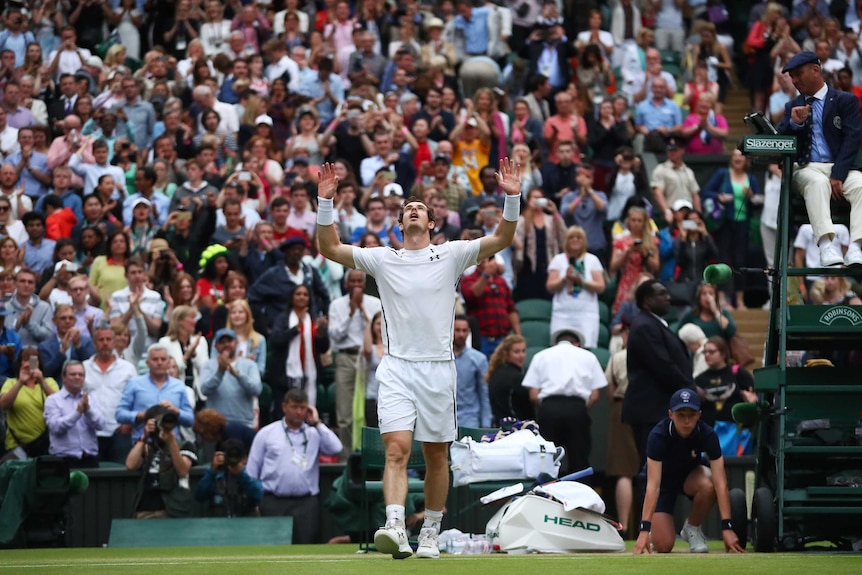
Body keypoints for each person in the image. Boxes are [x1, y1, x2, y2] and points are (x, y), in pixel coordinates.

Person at [316, 158, 521, 559]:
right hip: (395, 367)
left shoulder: (453, 254)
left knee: (435, 455)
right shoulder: (382, 258)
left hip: (439, 369)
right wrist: (326, 204)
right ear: (399, 224)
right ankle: (394, 524)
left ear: (430, 224)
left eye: (420, 209)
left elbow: (502, 239)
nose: (413, 210)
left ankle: (430, 529)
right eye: (407, 208)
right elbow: (329, 247)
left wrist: (511, 196)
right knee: (396, 449)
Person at [632, 388, 745, 554]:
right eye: (680, 415)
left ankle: (692, 527)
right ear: (670, 414)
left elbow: (721, 482)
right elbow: (653, 486)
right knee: (663, 546)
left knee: (709, 481)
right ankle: (655, 531)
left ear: (699, 415)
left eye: (691, 415)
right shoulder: (657, 436)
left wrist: (727, 527)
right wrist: (643, 531)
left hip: (690, 478)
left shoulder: (708, 435)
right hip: (662, 484)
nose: (686, 421)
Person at [778, 50, 862, 267]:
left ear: (816, 69)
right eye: (792, 76)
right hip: (806, 169)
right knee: (816, 183)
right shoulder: (792, 106)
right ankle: (826, 244)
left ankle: (855, 247)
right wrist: (795, 124)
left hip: (840, 167)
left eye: (799, 74)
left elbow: (853, 139)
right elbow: (781, 144)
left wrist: (838, 174)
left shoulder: (846, 101)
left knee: (861, 184)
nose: (795, 80)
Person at [246, 388, 342, 543]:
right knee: (272, 548)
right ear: (284, 407)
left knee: (306, 547)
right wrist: (255, 503)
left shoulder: (314, 433)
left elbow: (336, 448)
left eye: (302, 408)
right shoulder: (267, 433)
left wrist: (317, 422)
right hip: (273, 501)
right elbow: (252, 471)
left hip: (305, 504)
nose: (298, 412)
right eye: (294, 407)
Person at [624, 279, 694, 464]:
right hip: (650, 410)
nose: (668, 297)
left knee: (665, 468)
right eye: (662, 294)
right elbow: (662, 365)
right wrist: (689, 388)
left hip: (657, 409)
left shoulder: (655, 323)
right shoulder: (645, 325)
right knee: (653, 468)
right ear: (647, 300)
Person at [522, 327, 607, 478]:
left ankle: (545, 496)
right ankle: (581, 499)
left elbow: (534, 395)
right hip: (577, 409)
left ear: (555, 343)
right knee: (580, 459)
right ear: (577, 343)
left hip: (549, 409)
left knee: (546, 460)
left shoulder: (541, 356)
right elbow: (595, 395)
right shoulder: (588, 357)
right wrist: (580, 409)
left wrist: (548, 408)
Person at [328, 269, 382, 453]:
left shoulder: (375, 303)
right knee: (345, 413)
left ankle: (370, 454)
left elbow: (379, 329)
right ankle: (347, 458)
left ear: (365, 284)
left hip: (372, 359)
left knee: (369, 409)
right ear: (346, 284)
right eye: (353, 281)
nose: (357, 285)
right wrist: (351, 312)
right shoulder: (336, 305)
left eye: (360, 281)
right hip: (346, 357)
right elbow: (334, 336)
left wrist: (363, 310)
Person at [125, 404, 198, 519]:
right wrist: (144, 437)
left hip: (173, 509)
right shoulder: (145, 445)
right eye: (157, 422)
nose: (161, 425)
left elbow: (183, 471)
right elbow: (130, 465)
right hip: (145, 508)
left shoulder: (185, 445)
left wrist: (171, 441)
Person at [115, 344, 196, 443]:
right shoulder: (134, 384)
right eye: (155, 359)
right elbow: (119, 414)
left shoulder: (179, 386)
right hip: (142, 442)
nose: (159, 363)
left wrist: (176, 411)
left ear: (168, 362)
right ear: (147, 363)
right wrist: (141, 415)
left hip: (171, 443)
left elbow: (190, 420)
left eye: (163, 359)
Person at [84, 323, 138, 463]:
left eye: (108, 339)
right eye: (101, 340)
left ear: (114, 342)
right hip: (90, 433)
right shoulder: (83, 368)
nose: (105, 343)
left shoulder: (128, 369)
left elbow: (137, 398)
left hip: (120, 431)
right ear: (95, 343)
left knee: (120, 475)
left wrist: (129, 424)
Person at [604, 322, 640, 536]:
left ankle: (625, 526)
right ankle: (650, 525)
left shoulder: (618, 357)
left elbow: (610, 392)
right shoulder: (652, 355)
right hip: (650, 409)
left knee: (623, 470)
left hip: (622, 407)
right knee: (651, 469)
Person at [546, 226, 605, 348]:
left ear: (584, 241)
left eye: (579, 237)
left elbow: (600, 286)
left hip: (586, 313)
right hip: (562, 314)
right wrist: (564, 279)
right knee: (560, 348)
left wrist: (582, 281)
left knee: (586, 347)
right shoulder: (558, 260)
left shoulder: (592, 260)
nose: (575, 240)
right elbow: (550, 286)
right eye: (571, 237)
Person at [43, 360, 105, 468]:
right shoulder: (53, 400)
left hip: (89, 458)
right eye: (73, 374)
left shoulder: (90, 399)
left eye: (81, 374)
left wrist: (88, 410)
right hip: (63, 460)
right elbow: (55, 427)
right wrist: (77, 413)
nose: (77, 377)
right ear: (63, 377)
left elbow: (101, 425)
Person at [0, 348, 58, 460]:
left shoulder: (49, 382)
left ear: (39, 363)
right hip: (17, 446)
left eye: (32, 360)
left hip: (44, 445)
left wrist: (42, 382)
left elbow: (59, 403)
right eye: (25, 360)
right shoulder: (11, 383)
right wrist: (20, 382)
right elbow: (3, 405)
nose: (28, 364)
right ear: (20, 363)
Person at [460, 254, 520, 358]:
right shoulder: (468, 280)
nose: (486, 260)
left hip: (503, 338)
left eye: (491, 258)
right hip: (481, 338)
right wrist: (485, 275)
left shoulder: (501, 281)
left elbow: (511, 310)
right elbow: (473, 294)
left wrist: (518, 335)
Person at [200, 329, 262, 429]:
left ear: (236, 343)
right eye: (222, 342)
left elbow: (257, 389)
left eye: (229, 341)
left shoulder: (250, 365)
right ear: (216, 347)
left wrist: (238, 375)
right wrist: (220, 372)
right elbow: (204, 390)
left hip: (243, 423)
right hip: (215, 424)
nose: (226, 344)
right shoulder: (208, 365)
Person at [694, 336, 758, 429]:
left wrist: (752, 400)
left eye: (711, 352)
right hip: (709, 430)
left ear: (723, 353)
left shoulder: (737, 372)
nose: (707, 355)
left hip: (736, 429)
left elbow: (755, 394)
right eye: (705, 352)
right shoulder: (699, 379)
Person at [195, 437, 263, 517]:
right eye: (230, 456)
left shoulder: (250, 475)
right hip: (219, 524)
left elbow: (259, 495)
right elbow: (199, 496)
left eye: (236, 456)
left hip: (245, 524)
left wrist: (241, 475)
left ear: (245, 458)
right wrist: (212, 471)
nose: (233, 459)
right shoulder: (215, 476)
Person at [452, 315, 492, 428]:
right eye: (457, 330)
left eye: (464, 331)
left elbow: (484, 392)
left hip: (469, 418)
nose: (461, 334)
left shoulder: (479, 359)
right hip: (443, 418)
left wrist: (486, 423)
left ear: (469, 332)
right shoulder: (441, 359)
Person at [37, 304, 95, 379]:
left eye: (71, 318)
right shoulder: (44, 346)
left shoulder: (87, 342)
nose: (67, 321)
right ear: (54, 321)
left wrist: (78, 346)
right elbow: (46, 373)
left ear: (75, 321)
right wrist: (62, 352)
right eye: (63, 318)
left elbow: (92, 370)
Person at [485, 334, 532, 424]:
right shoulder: (516, 377)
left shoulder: (495, 372)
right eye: (517, 352)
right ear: (506, 354)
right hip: (515, 429)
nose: (521, 355)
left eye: (523, 351)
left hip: (499, 426)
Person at [5, 268, 53, 347]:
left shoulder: (45, 308)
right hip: (11, 354)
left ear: (34, 286)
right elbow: (2, 337)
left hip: (36, 355)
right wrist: (16, 325)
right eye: (22, 281)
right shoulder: (6, 307)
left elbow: (48, 336)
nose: (26, 285)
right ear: (15, 284)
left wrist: (29, 324)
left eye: (30, 282)